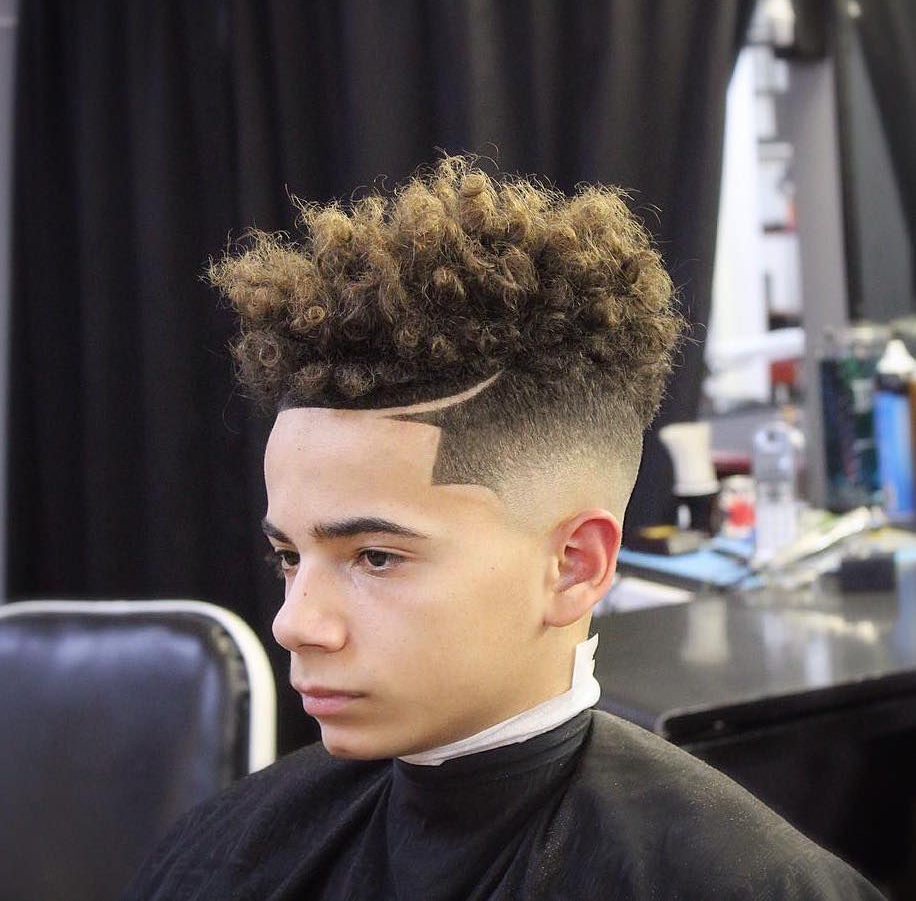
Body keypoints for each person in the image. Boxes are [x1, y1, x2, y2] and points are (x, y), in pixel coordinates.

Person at [123, 156, 885, 900]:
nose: (294, 623)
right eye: (289, 555)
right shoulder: (222, 854)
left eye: (376, 556)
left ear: (574, 564)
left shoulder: (745, 883)